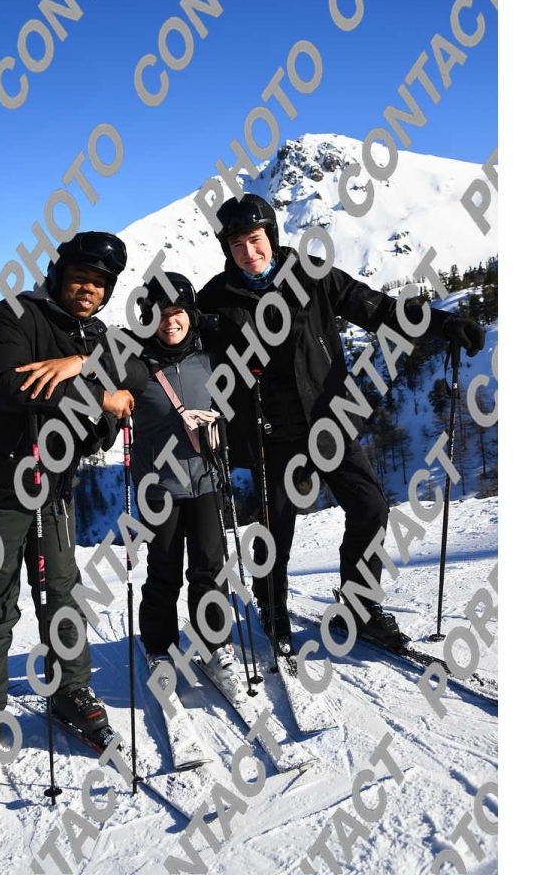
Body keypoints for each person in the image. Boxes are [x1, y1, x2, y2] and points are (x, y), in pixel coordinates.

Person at [198, 194, 485, 649]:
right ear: (226, 249)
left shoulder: (312, 275)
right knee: (277, 527)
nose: (249, 253)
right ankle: (271, 605)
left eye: (255, 240)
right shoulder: (215, 299)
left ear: (270, 234)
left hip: (328, 420)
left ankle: (358, 604)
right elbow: (183, 350)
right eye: (237, 245)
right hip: (269, 432)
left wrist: (442, 324)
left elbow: (380, 310)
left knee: (370, 507)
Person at [0, 231, 148, 765]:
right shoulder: (15, 314)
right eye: (81, 277)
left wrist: (81, 366)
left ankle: (69, 692)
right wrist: (100, 393)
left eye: (100, 284)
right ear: (59, 276)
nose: (89, 289)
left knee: (62, 594)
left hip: (54, 486)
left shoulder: (96, 335)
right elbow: (11, 386)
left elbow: (136, 374)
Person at [131, 273, 240, 688]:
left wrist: (221, 424)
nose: (169, 322)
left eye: (177, 313)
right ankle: (159, 647)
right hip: (159, 487)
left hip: (207, 480)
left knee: (209, 568)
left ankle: (215, 644)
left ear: (190, 315)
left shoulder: (210, 357)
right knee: (164, 570)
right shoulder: (137, 365)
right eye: (160, 315)